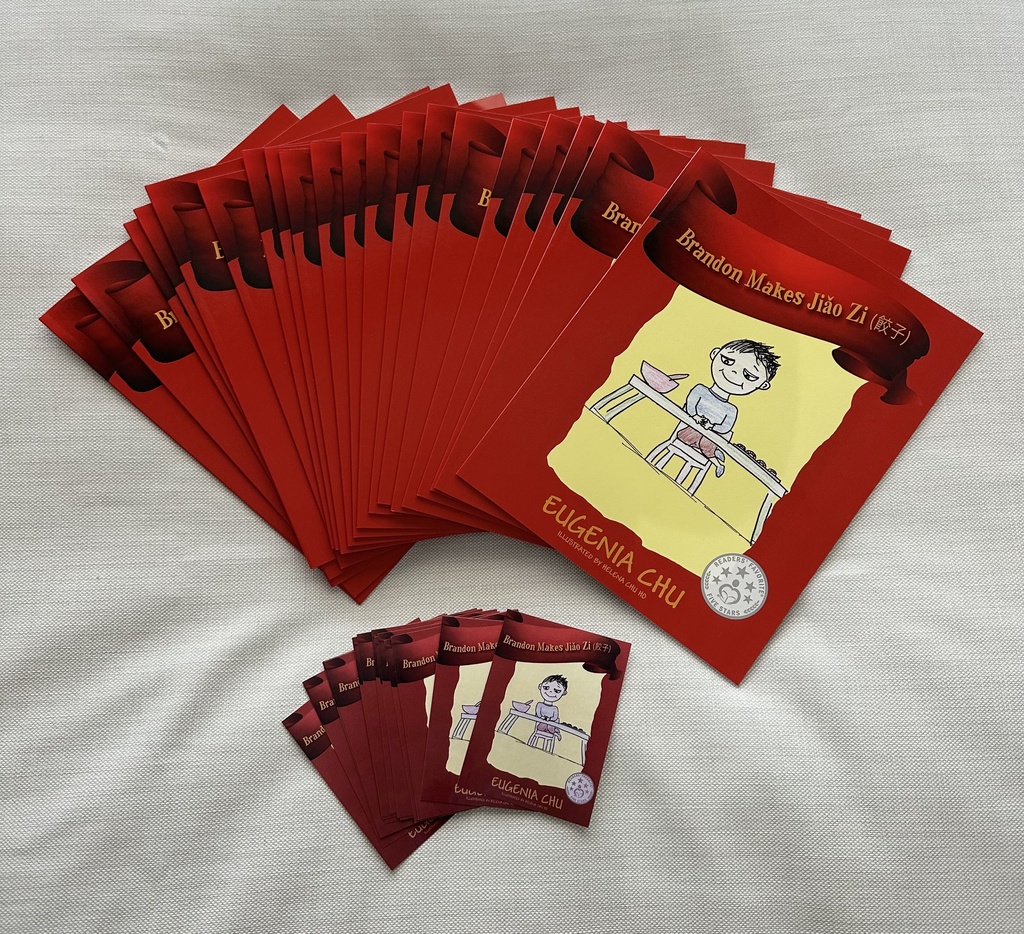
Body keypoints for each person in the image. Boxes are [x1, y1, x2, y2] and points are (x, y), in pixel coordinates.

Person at [677, 339, 781, 477]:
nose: (733, 373)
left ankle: (716, 458)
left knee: (707, 441)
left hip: (708, 438)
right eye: (727, 361)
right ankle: (716, 459)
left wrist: (711, 426)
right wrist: (694, 417)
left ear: (763, 385)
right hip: (688, 433)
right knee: (701, 440)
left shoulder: (731, 410)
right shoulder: (700, 390)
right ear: (715, 353)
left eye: (749, 376)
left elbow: (725, 428)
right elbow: (690, 405)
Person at [532, 675, 568, 741]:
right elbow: (538, 713)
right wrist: (542, 717)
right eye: (546, 688)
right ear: (540, 686)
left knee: (550, 726)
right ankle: (555, 733)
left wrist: (549, 719)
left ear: (564, 693)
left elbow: (555, 717)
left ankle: (555, 733)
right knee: (542, 726)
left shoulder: (555, 708)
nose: (550, 692)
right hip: (541, 724)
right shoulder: (540, 704)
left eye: (557, 691)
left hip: (551, 725)